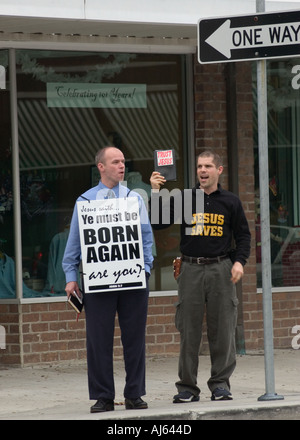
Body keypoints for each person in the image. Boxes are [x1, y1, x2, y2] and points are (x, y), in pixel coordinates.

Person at [150, 150, 251, 403]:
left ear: (219, 170)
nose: (202, 171)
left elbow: (244, 236)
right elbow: (158, 222)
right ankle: (186, 387)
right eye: (199, 166)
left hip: (221, 269)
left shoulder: (230, 201)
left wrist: (239, 262)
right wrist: (154, 192)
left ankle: (220, 385)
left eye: (207, 166)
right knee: (189, 330)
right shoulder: (186, 198)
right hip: (190, 269)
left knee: (224, 329)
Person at [62, 146, 153, 413]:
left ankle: (134, 394)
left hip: (133, 280)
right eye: (115, 162)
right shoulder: (85, 202)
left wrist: (145, 269)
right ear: (101, 167)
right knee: (98, 340)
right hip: (98, 281)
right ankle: (103, 396)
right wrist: (70, 277)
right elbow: (74, 244)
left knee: (135, 339)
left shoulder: (135, 199)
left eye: (123, 161)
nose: (122, 166)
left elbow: (146, 238)